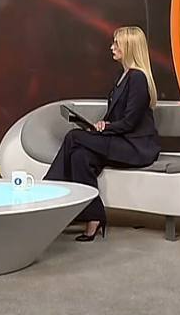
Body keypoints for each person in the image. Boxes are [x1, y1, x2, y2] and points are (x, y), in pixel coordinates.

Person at [45, 26, 162, 242]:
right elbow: (116, 117)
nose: (112, 47)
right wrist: (99, 125)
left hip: (136, 147)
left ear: (129, 47)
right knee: (80, 156)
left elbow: (129, 123)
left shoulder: (137, 78)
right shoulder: (122, 77)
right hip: (120, 141)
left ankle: (48, 194)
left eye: (116, 44)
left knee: (73, 137)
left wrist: (105, 128)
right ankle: (94, 216)